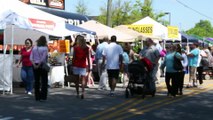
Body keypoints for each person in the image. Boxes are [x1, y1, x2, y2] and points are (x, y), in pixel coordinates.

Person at [30, 36, 49, 101]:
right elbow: (43, 58)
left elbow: (31, 58)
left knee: (36, 81)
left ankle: (37, 96)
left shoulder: (34, 48)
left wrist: (34, 65)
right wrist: (39, 65)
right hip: (42, 65)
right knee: (44, 81)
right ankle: (43, 96)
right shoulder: (45, 48)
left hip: (34, 65)